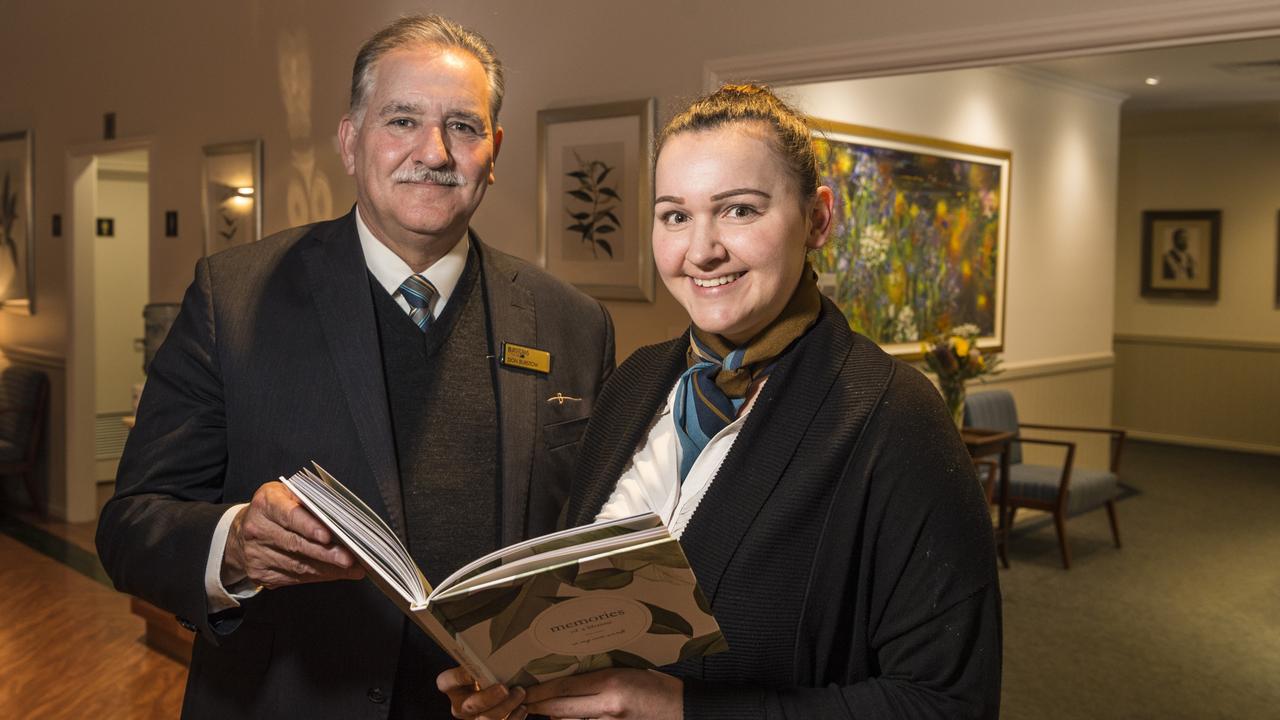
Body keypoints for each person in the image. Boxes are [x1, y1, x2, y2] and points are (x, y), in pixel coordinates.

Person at [95, 14, 614, 719]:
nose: (433, 151)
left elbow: (585, 551)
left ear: (494, 152)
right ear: (349, 141)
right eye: (402, 120)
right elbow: (130, 527)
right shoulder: (234, 298)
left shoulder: (574, 324)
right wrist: (236, 546)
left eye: (463, 127)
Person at [440, 85, 1001, 719]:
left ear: (818, 217)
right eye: (675, 215)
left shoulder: (895, 417)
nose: (701, 250)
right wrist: (517, 677)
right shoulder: (633, 384)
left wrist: (683, 709)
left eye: (738, 210)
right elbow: (588, 615)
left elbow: (947, 704)